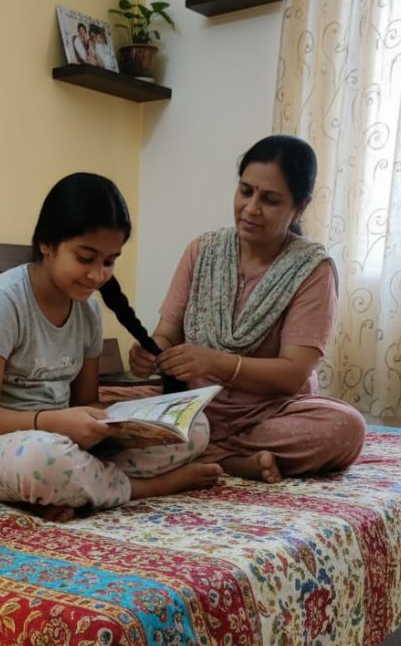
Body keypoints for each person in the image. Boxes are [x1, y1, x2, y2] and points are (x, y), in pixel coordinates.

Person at [0, 172, 222, 521]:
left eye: (109, 261)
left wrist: (127, 422)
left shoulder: (88, 309)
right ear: (47, 244)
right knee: (46, 460)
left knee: (195, 428)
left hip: (61, 440)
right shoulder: (0, 303)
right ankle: (142, 487)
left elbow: (84, 401)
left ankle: (71, 489)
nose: (97, 275)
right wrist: (55, 423)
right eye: (85, 258)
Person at [128, 135, 366, 482]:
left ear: (299, 207)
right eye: (245, 191)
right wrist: (150, 353)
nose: (251, 208)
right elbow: (167, 334)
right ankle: (229, 457)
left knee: (345, 428)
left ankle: (208, 451)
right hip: (192, 403)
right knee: (92, 407)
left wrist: (216, 363)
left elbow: (293, 373)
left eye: (269, 200)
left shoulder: (313, 269)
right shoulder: (202, 251)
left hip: (267, 412)